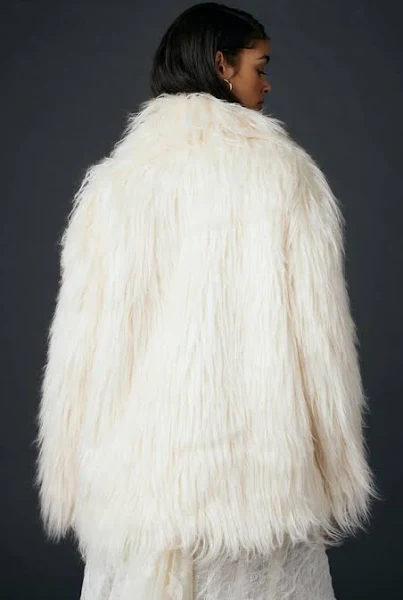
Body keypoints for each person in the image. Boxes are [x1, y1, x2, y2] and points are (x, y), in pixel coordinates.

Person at [34, 3, 380, 599]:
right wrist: (334, 475)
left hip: (134, 493)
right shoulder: (284, 176)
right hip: (259, 492)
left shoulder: (114, 184)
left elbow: (77, 353)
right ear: (222, 65)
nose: (267, 85)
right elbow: (320, 349)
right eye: (259, 67)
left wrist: (71, 479)